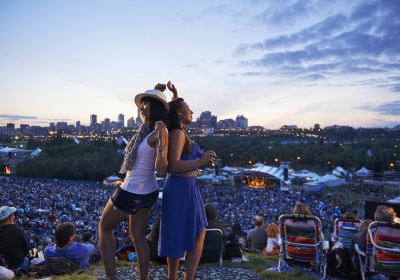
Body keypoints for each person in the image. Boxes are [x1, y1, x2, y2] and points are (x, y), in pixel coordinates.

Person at [98, 85, 170, 280]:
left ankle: (111, 277)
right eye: (142, 104)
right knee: (137, 237)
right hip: (146, 190)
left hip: (133, 191)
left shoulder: (158, 132)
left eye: (147, 105)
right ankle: (143, 278)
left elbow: (161, 169)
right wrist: (156, 93)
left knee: (104, 228)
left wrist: (163, 141)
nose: (142, 108)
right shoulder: (146, 130)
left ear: (156, 109)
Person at [158, 82, 217, 280]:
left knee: (190, 232)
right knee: (195, 233)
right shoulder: (177, 133)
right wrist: (200, 160)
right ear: (180, 115)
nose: (191, 111)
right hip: (180, 188)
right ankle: (183, 278)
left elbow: (181, 163)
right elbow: (173, 165)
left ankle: (176, 277)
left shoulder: (179, 131)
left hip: (187, 187)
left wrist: (175, 95)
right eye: (187, 109)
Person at [0, 206, 30, 271]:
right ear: (9, 218)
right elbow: (27, 248)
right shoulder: (17, 230)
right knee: (27, 259)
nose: (14, 217)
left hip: (2, 267)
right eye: (13, 215)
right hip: (16, 265)